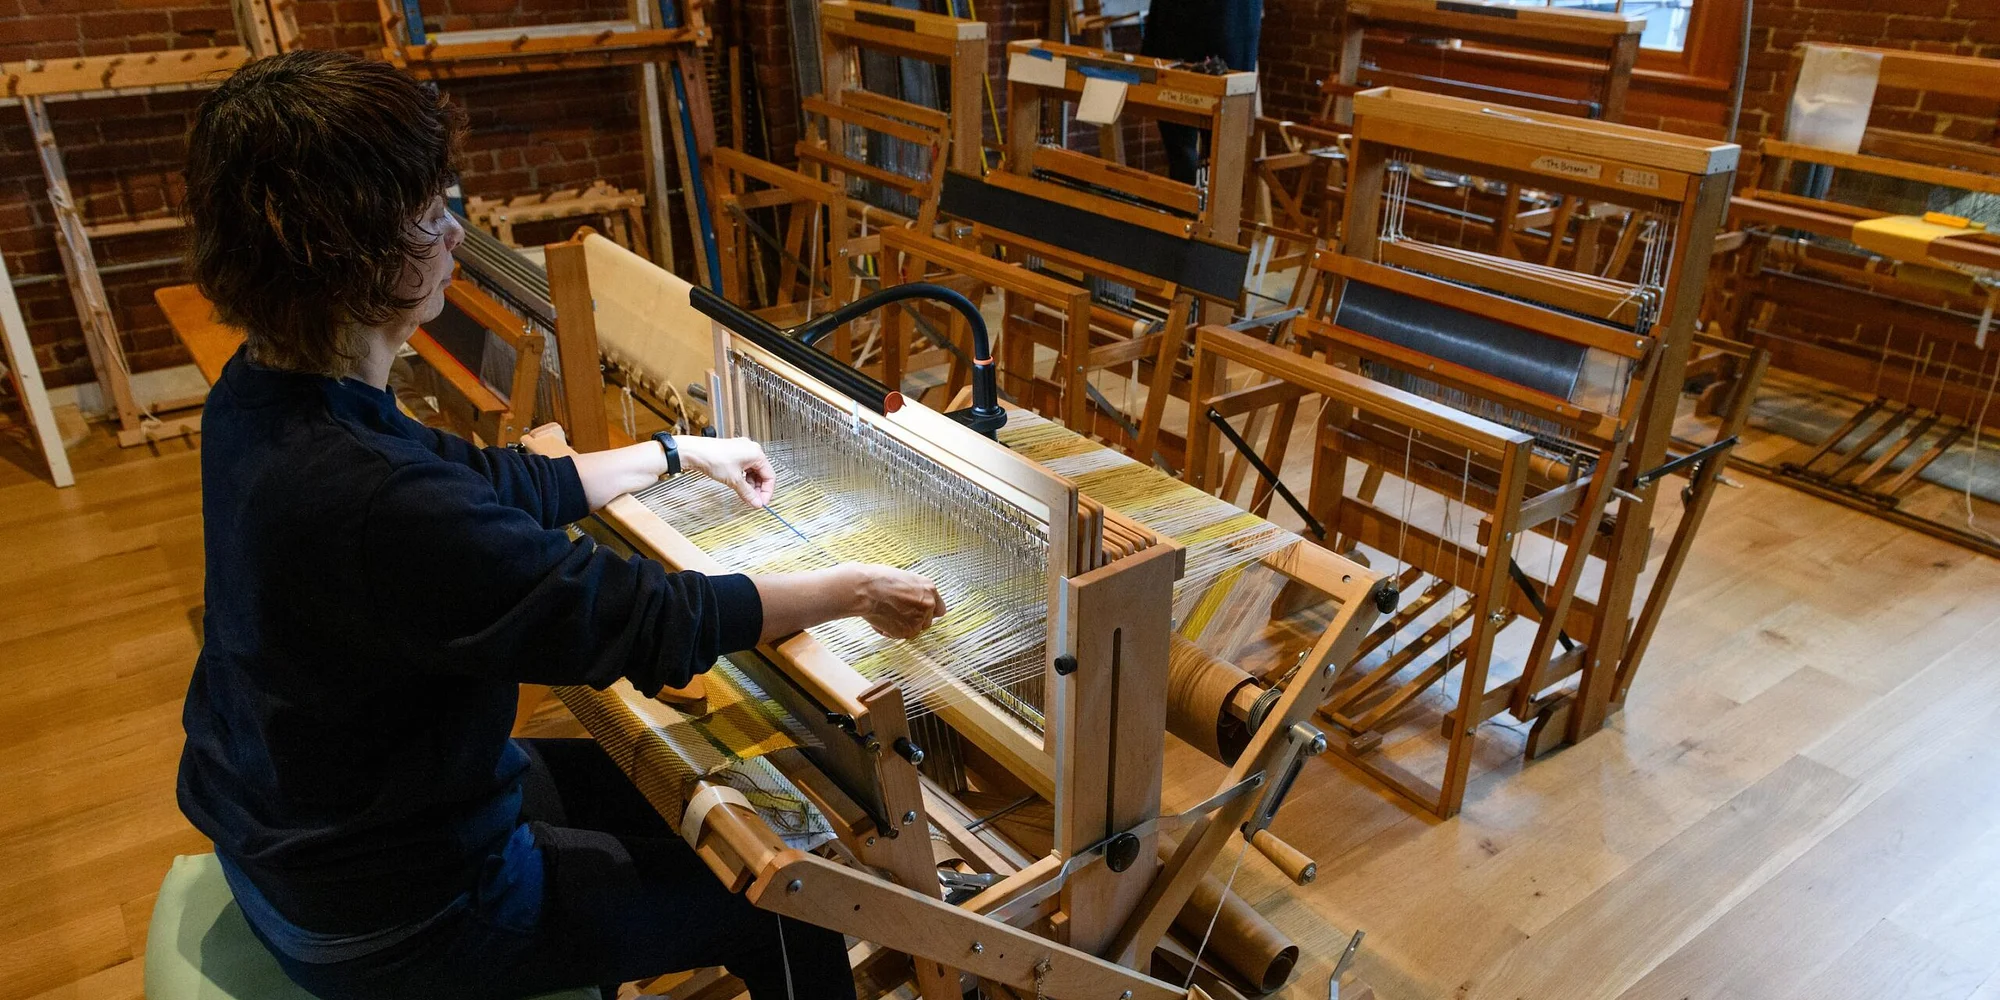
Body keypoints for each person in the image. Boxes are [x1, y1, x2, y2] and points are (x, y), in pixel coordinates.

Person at [176, 50, 943, 1000]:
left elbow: (495, 483)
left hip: (313, 831)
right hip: (390, 913)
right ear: (351, 256)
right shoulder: (371, 498)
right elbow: (639, 619)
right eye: (428, 214)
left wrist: (677, 453)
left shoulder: (264, 398)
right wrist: (852, 588)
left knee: (723, 803)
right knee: (799, 898)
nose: (455, 233)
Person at [1139, 0, 1264, 184]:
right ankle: (1196, 197)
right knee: (1202, 151)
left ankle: (1194, 198)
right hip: (1227, 37)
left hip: (1197, 38)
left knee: (1193, 150)